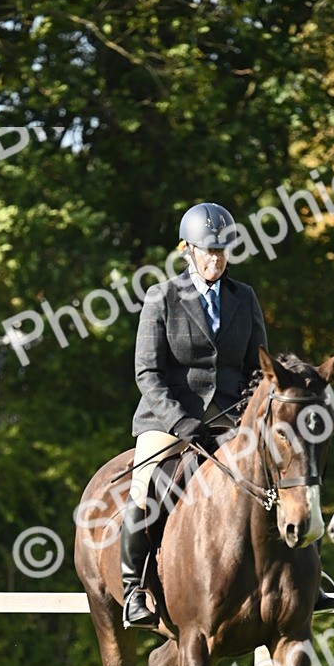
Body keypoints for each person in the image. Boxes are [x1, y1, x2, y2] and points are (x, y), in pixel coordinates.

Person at [120, 200, 268, 628]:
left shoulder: (245, 297)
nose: (216, 259)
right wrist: (180, 422)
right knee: (147, 486)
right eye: (208, 251)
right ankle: (135, 591)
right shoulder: (162, 297)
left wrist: (248, 411)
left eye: (222, 251)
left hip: (230, 418)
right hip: (170, 418)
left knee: (283, 472)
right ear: (187, 250)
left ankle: (305, 578)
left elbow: (259, 368)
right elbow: (146, 372)